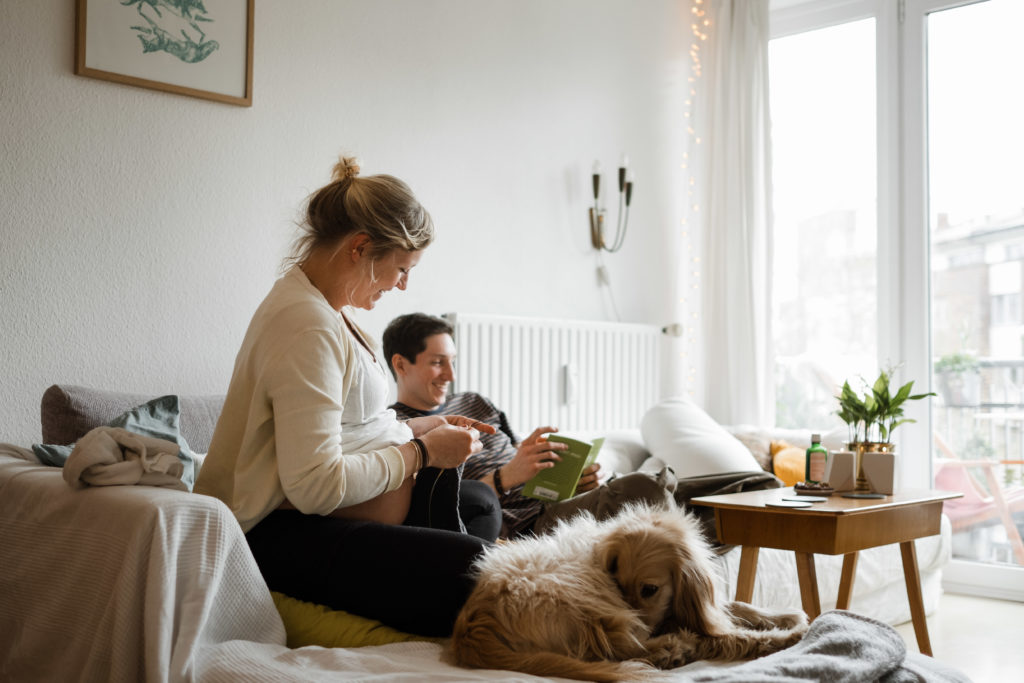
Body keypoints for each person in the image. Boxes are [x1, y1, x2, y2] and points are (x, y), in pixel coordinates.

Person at [194, 156, 500, 637]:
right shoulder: (306, 326)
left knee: (481, 502)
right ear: (361, 247)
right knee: (476, 567)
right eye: (400, 268)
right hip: (271, 536)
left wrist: (418, 427)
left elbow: (348, 425)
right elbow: (315, 487)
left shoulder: (330, 310)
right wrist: (421, 453)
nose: (403, 285)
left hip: (341, 513)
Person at [383, 312, 678, 539]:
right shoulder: (399, 428)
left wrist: (564, 474)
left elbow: (517, 454)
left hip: (551, 500)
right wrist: (505, 477)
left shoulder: (475, 402)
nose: (450, 374)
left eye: (453, 361)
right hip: (524, 524)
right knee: (645, 486)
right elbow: (435, 507)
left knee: (694, 492)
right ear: (401, 364)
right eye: (437, 362)